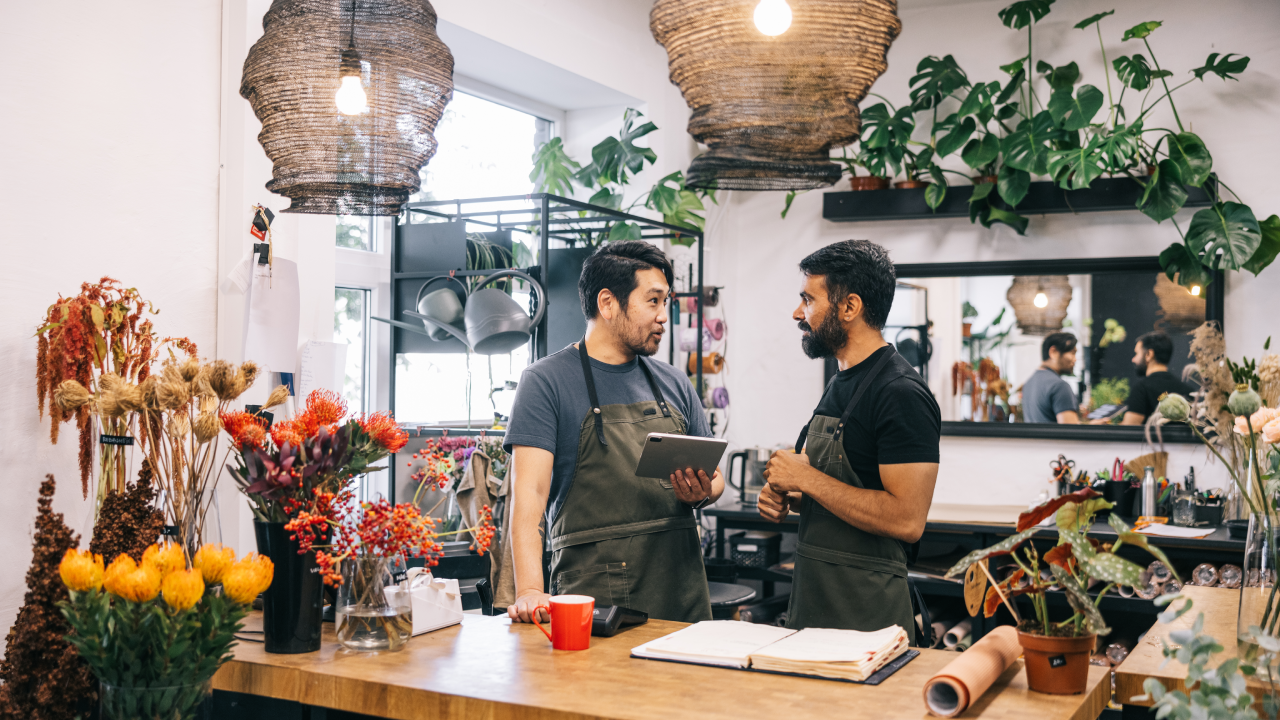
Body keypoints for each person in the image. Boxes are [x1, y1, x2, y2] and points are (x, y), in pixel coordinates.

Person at [504, 241, 721, 625]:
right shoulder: (546, 381)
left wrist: (704, 491)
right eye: (652, 301)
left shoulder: (673, 382)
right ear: (607, 303)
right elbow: (529, 497)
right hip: (593, 597)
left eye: (666, 302)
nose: (663, 317)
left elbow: (715, 479)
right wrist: (530, 591)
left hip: (681, 590)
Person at [757, 239, 939, 644]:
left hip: (868, 616)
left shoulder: (901, 392)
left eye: (808, 299)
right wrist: (789, 498)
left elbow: (906, 520)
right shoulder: (842, 381)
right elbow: (840, 494)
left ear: (849, 307)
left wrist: (806, 481)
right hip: (814, 602)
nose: (796, 313)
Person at [1119, 331, 1195, 425]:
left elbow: (1128, 429)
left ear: (1149, 355)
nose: (1133, 359)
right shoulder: (1188, 390)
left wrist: (1102, 426)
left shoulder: (1141, 389)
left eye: (1136, 353)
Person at [1022, 333, 1081, 424]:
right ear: (1053, 352)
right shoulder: (1059, 386)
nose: (1075, 359)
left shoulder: (1029, 383)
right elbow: (1071, 433)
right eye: (1072, 353)